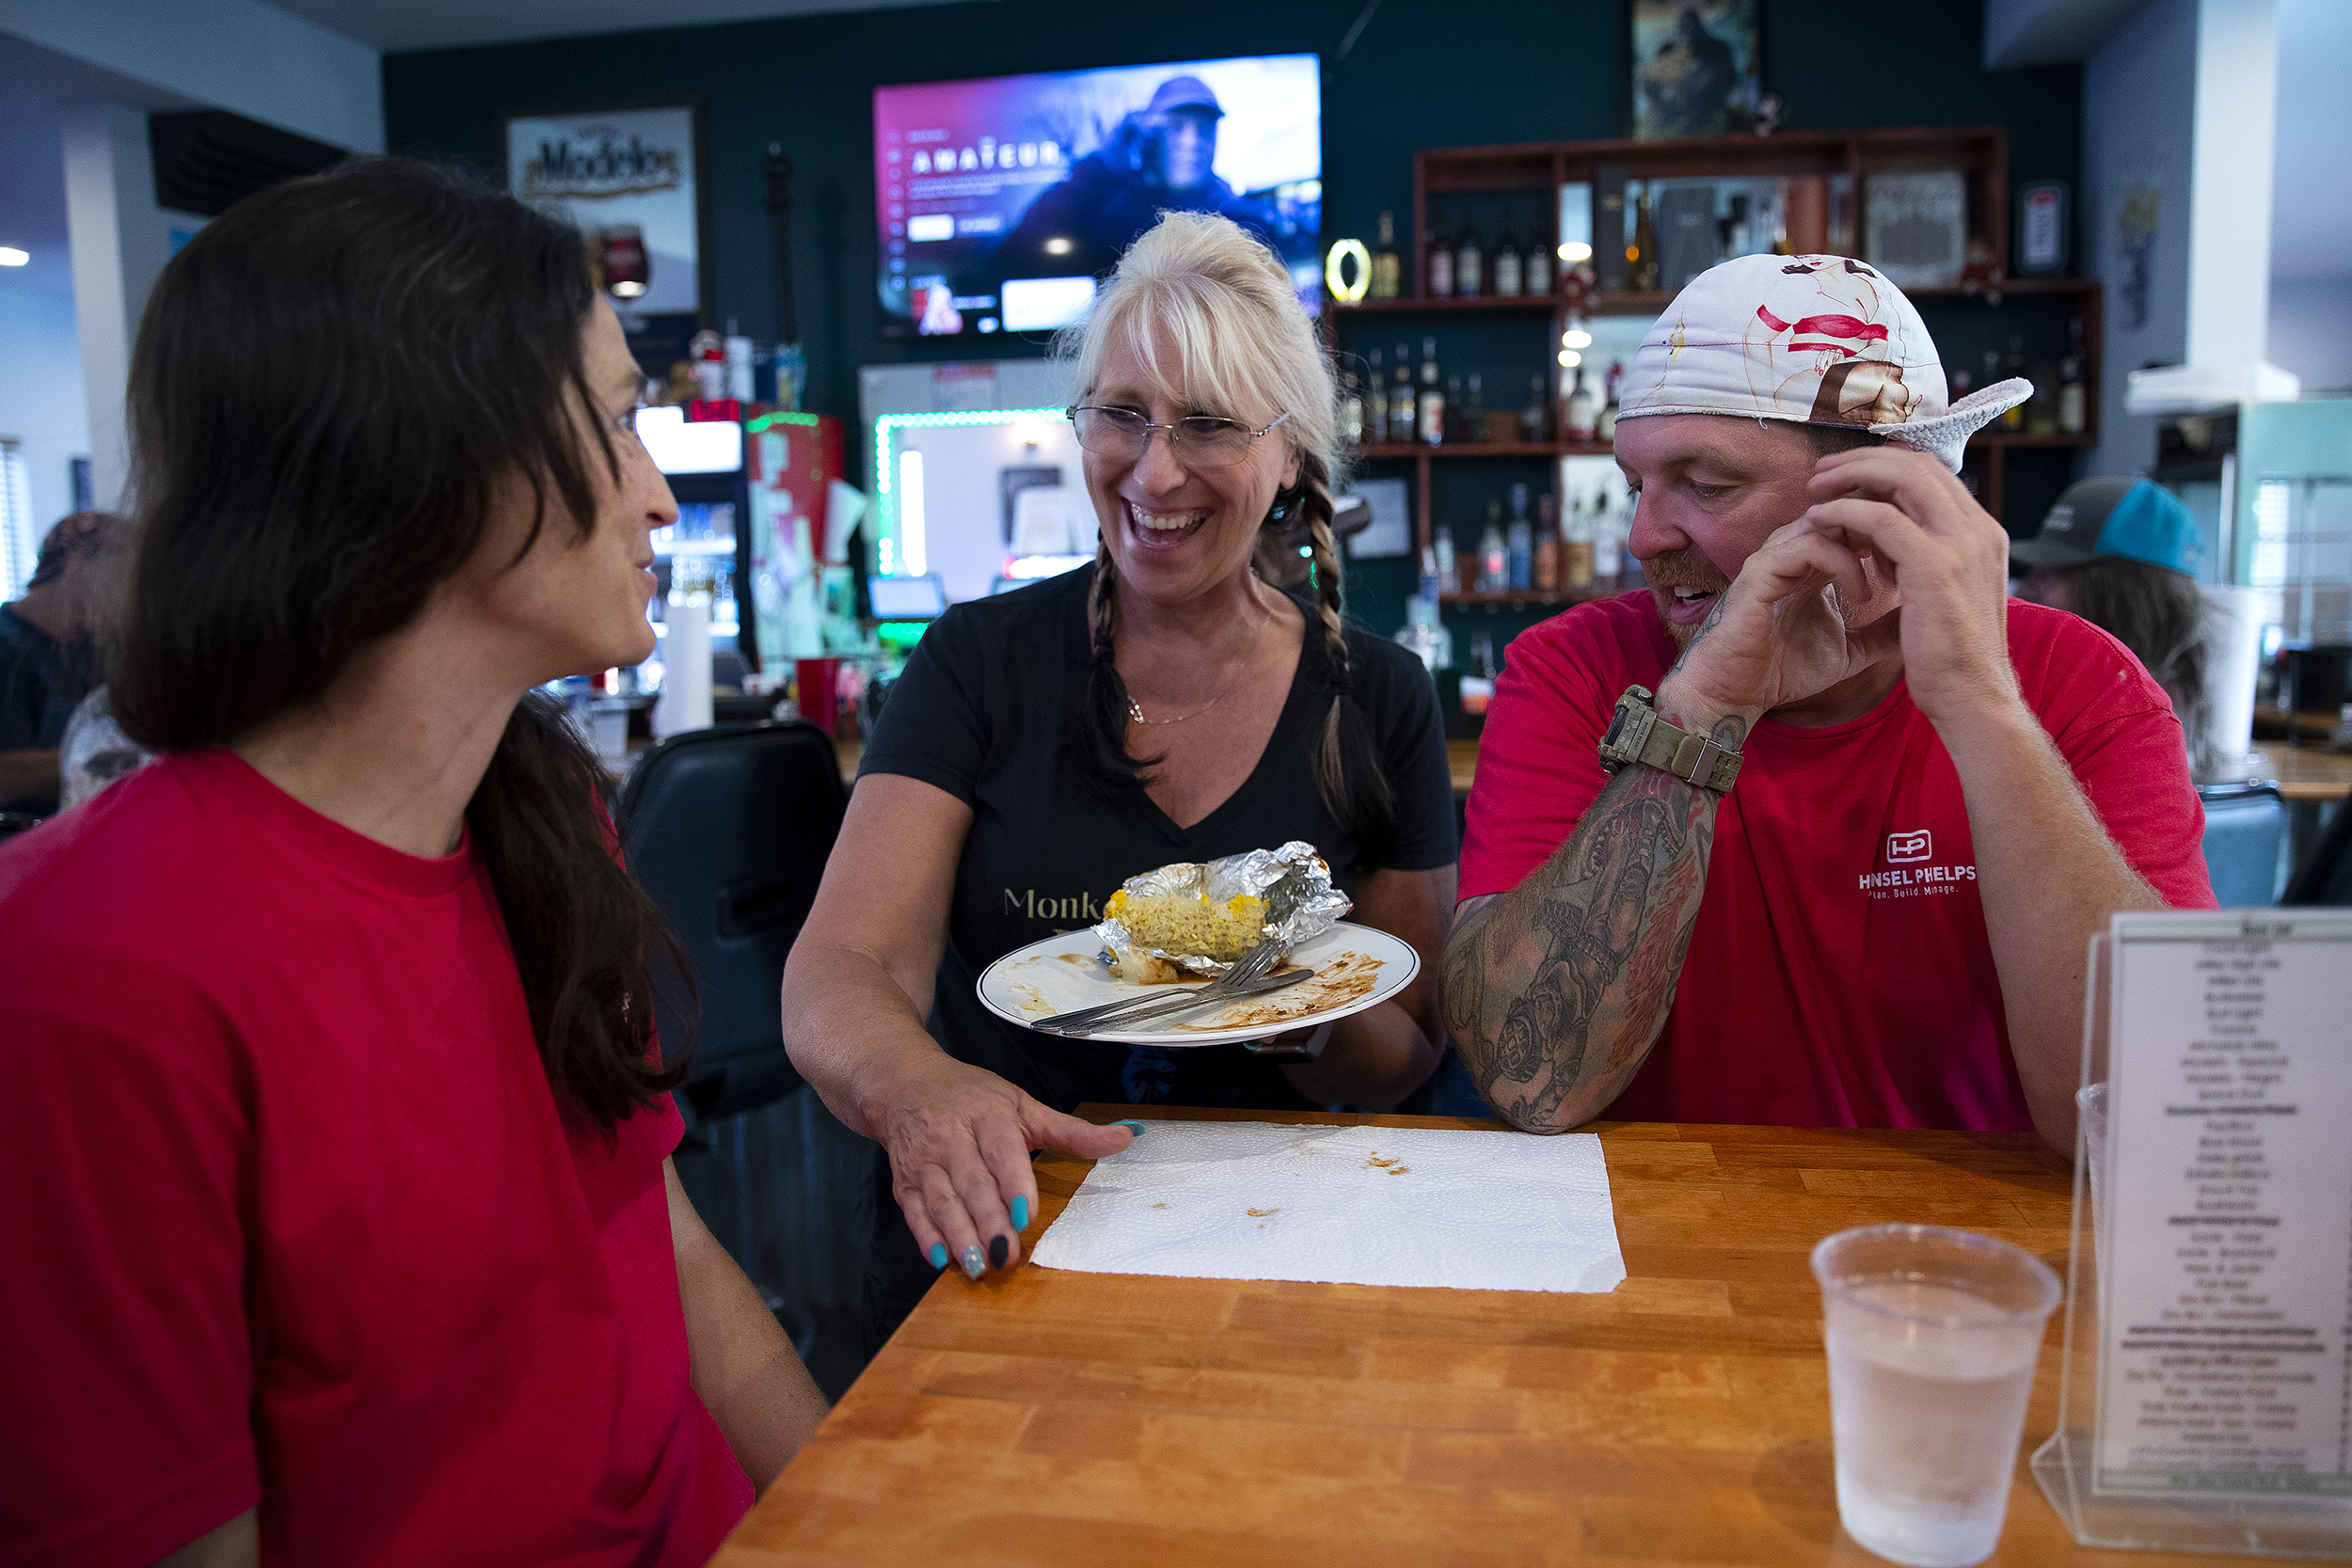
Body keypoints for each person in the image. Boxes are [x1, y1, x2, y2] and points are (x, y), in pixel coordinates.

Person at [0, 160, 825, 1568]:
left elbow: (669, 1253)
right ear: (441, 462)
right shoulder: (85, 980)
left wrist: (871, 1518)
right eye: (622, 421)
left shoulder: (549, 813)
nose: (659, 498)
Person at [782, 210, 1457, 1350]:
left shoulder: (1378, 695)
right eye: (1121, 416)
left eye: (1206, 424)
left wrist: (1299, 1012)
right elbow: (841, 966)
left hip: (1276, 1243)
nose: (1154, 470)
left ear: (1288, 452)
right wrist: (914, 1084)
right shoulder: (975, 663)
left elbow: (1408, 1054)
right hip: (1006, 1231)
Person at [1442, 253, 2215, 1155]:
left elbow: (2142, 1124)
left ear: (1887, 495)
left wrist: (1980, 704)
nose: (1642, 537)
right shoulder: (1572, 671)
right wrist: (1704, 706)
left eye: (1707, 485)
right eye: (1635, 485)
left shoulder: (2086, 686)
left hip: (1969, 1266)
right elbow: (1525, 1078)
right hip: (1658, 1259)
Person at [2011, 475, 2216, 775]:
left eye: (2049, 575)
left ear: (2122, 599)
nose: (2023, 591)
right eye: (2032, 572)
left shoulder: (2141, 725)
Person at [993, 76, 1280, 285]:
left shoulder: (1237, 217)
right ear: (1150, 138)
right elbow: (1013, 257)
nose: (1192, 141)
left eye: (1205, 129)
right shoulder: (1108, 208)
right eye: (1177, 127)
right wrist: (1103, 165)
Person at [0, 509, 113, 813]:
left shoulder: (102, 648)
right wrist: (100, 756)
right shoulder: (6, 646)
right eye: (119, 572)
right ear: (75, 560)